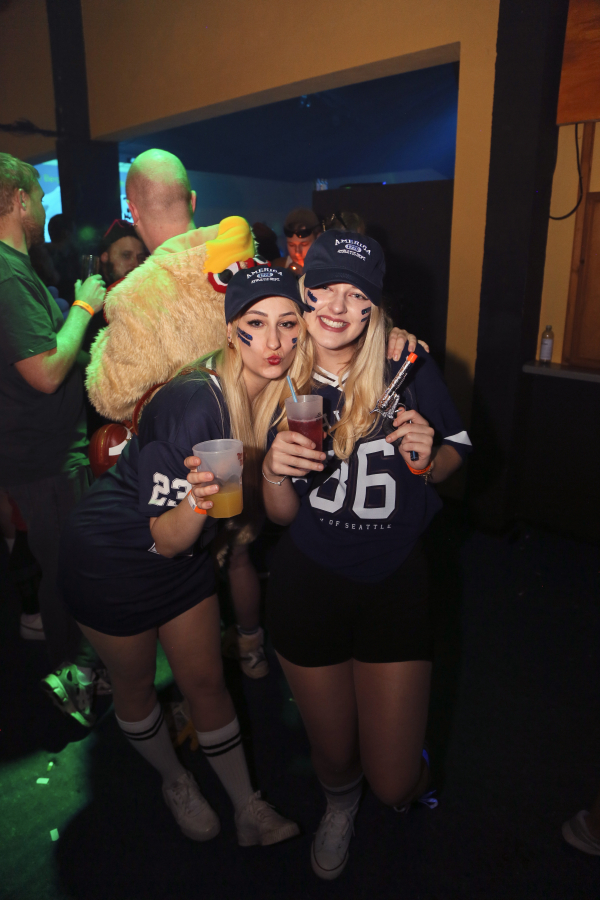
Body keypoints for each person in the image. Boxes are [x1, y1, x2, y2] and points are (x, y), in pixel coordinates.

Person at [58, 267, 307, 845]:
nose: (274, 342)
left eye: (288, 324)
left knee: (206, 681)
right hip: (114, 557)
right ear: (231, 330)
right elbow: (167, 538)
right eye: (256, 324)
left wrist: (397, 338)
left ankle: (247, 807)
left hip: (185, 555)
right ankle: (176, 781)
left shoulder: (280, 392)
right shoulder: (196, 402)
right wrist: (202, 502)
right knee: (136, 688)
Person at [260, 231, 472, 880]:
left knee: (396, 781)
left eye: (357, 295)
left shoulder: (408, 367)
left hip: (394, 582)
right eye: (325, 288)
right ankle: (338, 808)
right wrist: (272, 470)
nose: (337, 306)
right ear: (303, 291)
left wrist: (429, 459)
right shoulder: (275, 372)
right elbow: (281, 516)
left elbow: (457, 457)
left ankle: (410, 777)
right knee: (333, 755)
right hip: (308, 583)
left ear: (375, 308)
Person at [0, 152, 108, 725]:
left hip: (46, 450)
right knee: (67, 567)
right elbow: (44, 371)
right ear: (19, 201)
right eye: (40, 197)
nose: (44, 207)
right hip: (42, 457)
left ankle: (76, 664)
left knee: (66, 561)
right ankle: (71, 675)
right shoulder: (6, 273)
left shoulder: (17, 268)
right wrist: (85, 307)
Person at [99, 218, 147, 291]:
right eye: (126, 256)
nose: (136, 264)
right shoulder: (88, 294)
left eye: (140, 258)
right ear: (105, 257)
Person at [274, 207, 321, 276]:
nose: (297, 253)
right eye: (291, 245)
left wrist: (304, 276)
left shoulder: (326, 269)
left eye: (304, 244)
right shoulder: (278, 266)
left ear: (318, 239)